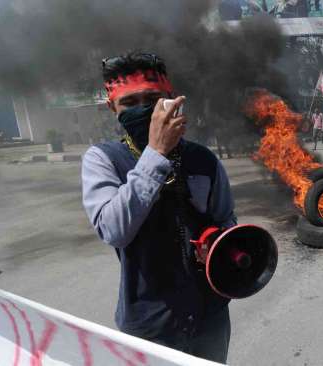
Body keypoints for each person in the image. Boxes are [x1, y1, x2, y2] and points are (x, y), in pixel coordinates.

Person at [81, 52, 236, 363]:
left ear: (171, 98)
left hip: (210, 319)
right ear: (113, 108)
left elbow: (226, 222)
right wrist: (156, 153)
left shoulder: (204, 160)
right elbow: (113, 230)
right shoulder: (102, 159)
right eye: (129, 102)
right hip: (148, 328)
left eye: (152, 99)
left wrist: (222, 244)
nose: (143, 110)